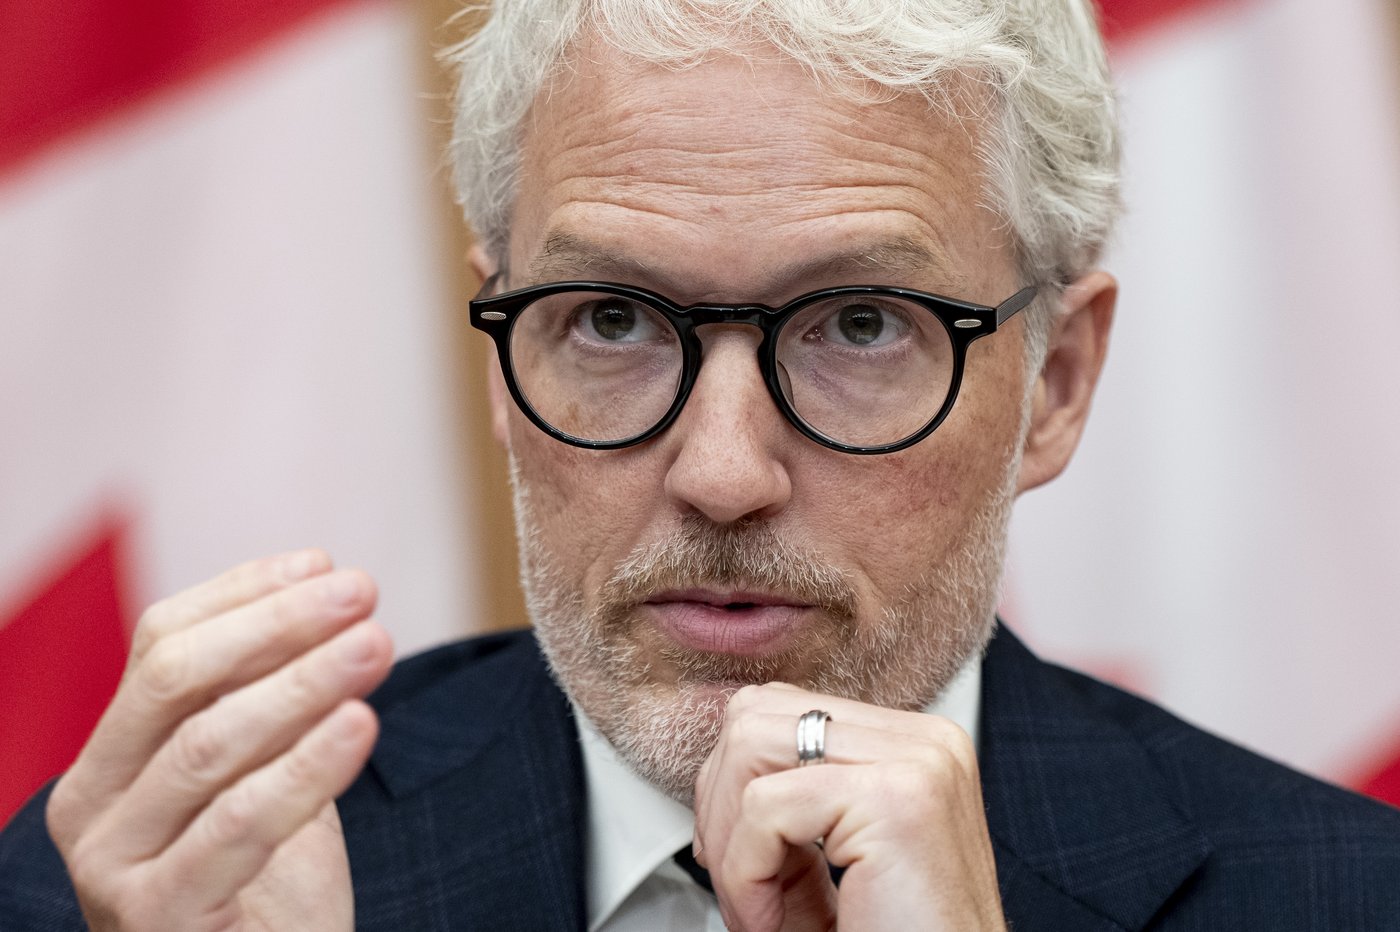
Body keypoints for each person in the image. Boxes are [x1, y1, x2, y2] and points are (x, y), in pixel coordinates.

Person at [3, 0, 1399, 929]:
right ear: (500, 358)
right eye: (612, 320)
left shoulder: (1346, 900)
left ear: (1058, 382)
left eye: (863, 324)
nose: (724, 475)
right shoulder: (136, 891)